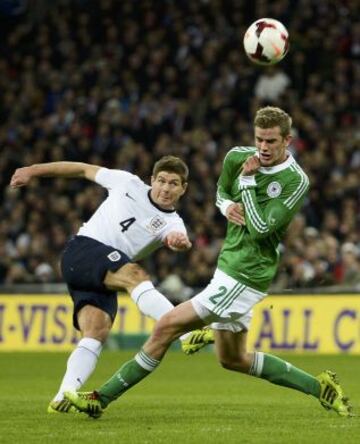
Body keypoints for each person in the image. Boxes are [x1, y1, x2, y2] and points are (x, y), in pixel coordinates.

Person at [64, 107, 352, 418]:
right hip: (229, 265)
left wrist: (246, 183)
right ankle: (319, 387)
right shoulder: (237, 157)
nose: (263, 148)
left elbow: (261, 228)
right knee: (233, 359)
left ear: (288, 141)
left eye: (271, 141)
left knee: (165, 327)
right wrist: (227, 205)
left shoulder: (296, 181)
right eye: (259, 140)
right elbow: (221, 192)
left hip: (247, 271)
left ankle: (101, 398)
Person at [10, 155, 214, 414]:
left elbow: (179, 239)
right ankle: (185, 333)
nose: (165, 188)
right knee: (136, 275)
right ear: (151, 180)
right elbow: (82, 169)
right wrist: (33, 169)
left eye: (174, 183)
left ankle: (62, 396)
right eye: (161, 181)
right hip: (83, 251)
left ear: (183, 188)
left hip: (103, 273)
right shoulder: (126, 182)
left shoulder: (173, 223)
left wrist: (180, 243)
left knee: (96, 333)